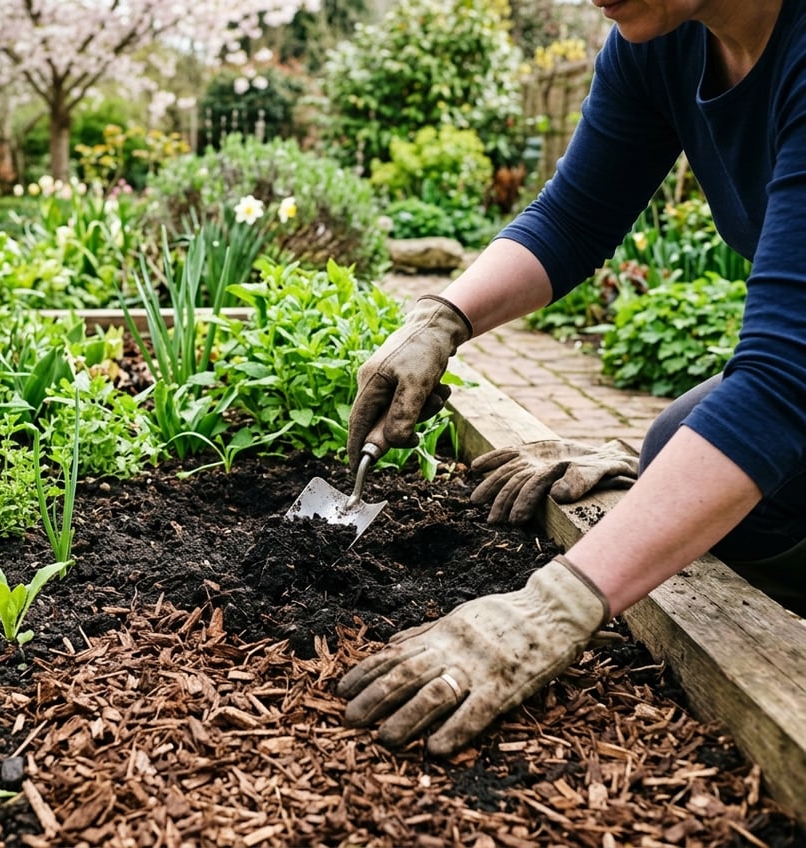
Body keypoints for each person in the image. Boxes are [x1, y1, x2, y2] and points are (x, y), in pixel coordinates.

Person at [337, 0, 806, 756]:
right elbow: (572, 219)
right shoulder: (665, 39)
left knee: (747, 479)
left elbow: (784, 384)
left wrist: (555, 603)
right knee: (674, 443)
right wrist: (439, 319)